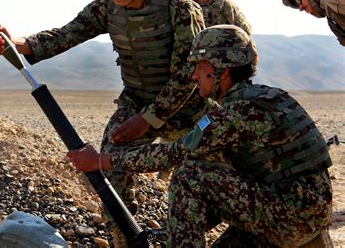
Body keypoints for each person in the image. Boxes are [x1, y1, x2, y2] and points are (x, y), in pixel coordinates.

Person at [0, 0, 206, 245]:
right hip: (136, 102)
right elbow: (67, 34)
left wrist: (147, 119)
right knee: (110, 174)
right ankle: (125, 240)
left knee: (194, 184)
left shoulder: (179, 7)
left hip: (188, 109)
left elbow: (189, 74)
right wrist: (16, 44)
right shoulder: (108, 6)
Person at [68, 25, 333, 247]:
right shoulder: (269, 97)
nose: (194, 76)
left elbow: (171, 154)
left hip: (290, 219)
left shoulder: (238, 113)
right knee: (208, 167)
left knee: (189, 174)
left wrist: (101, 161)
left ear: (221, 70)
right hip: (304, 213)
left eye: (200, 67)